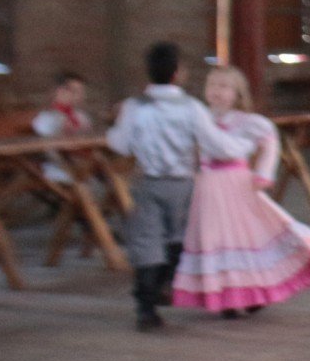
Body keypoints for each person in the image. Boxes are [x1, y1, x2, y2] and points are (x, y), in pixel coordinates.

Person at [105, 43, 257, 331]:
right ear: (178, 73)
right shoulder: (191, 108)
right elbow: (217, 145)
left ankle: (146, 310)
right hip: (182, 185)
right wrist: (245, 145)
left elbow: (120, 144)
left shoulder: (133, 106)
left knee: (147, 243)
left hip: (148, 182)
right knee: (179, 237)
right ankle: (169, 283)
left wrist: (116, 130)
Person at [171, 64, 310, 318]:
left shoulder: (247, 122)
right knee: (214, 239)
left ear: (238, 94)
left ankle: (252, 290)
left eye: (223, 86)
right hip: (207, 186)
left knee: (246, 238)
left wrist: (263, 172)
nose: (216, 91)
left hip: (237, 185)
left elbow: (269, 140)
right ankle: (225, 293)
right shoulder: (201, 117)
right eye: (212, 85)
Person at [32, 72, 93, 184]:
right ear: (60, 91)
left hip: (84, 164)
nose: (81, 95)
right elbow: (48, 149)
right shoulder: (45, 118)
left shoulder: (81, 116)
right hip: (58, 168)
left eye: (82, 91)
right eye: (75, 91)